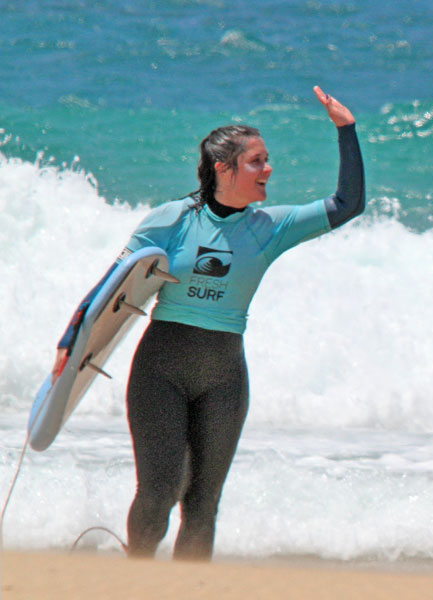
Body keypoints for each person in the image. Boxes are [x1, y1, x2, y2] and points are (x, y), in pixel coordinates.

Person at [51, 86, 366, 561]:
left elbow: (348, 204)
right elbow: (108, 288)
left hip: (224, 377)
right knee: (159, 494)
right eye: (257, 161)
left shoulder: (271, 227)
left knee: (202, 503)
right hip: (162, 370)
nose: (269, 169)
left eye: (267, 159)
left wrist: (347, 130)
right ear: (224, 168)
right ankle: (132, 579)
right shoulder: (171, 220)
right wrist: (69, 343)